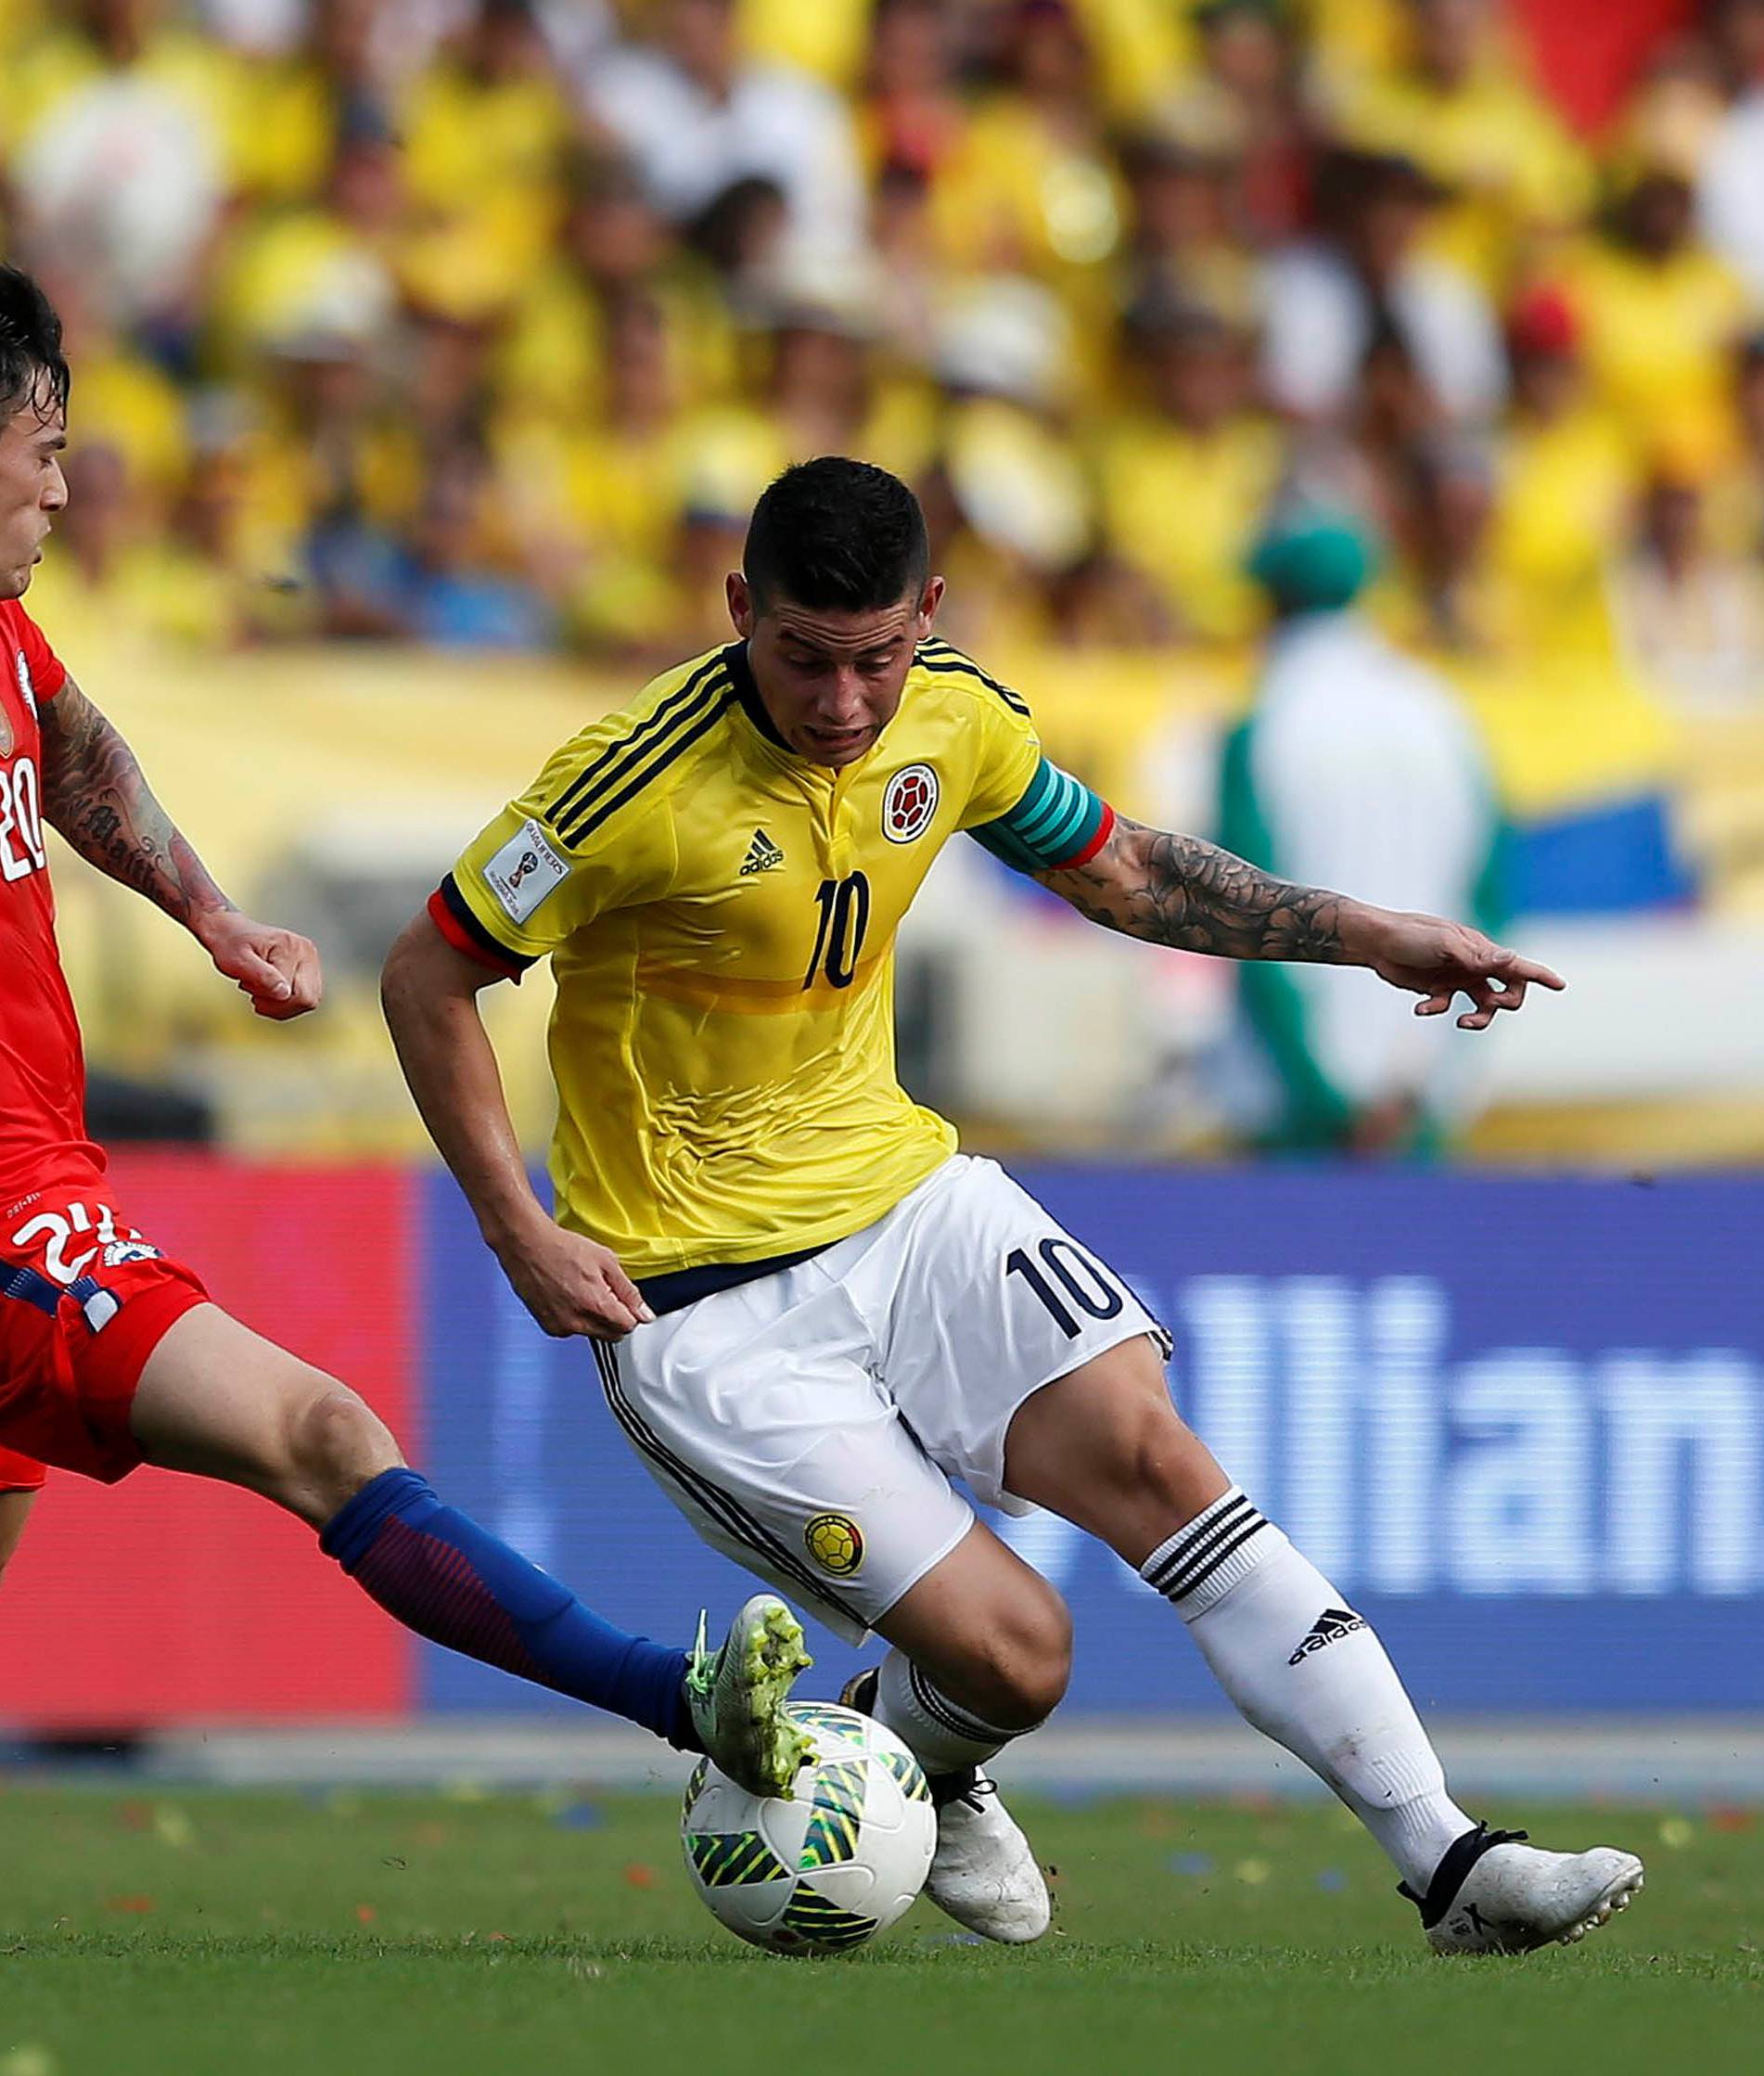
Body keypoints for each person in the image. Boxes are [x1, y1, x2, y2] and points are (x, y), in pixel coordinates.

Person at [384, 453, 1645, 1954]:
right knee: (1020, 1658)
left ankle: (1451, 1863)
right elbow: (430, 973)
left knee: (1154, 1453)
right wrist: (516, 1224)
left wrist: (1374, 937)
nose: (846, 704)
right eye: (804, 658)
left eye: (877, 659)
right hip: (700, 1300)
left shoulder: (959, 715)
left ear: (928, 611)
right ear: (739, 610)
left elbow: (1123, 875)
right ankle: (920, 1748)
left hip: (907, 1206)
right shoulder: (632, 780)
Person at [0, 264, 810, 1807]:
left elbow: (78, 747)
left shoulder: (5, 641)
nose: (60, 487)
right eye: (40, 450)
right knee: (321, 1430)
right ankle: (681, 1698)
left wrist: (213, 917)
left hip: (51, 1172)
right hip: (12, 1218)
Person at [1212, 512, 1505, 1158]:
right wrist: (1425, 1077)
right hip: (1419, 1097)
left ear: (1271, 604)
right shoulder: (1443, 715)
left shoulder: (1260, 728)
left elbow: (1241, 918)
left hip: (1298, 1115)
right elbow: (1491, 898)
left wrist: (1320, 1094)